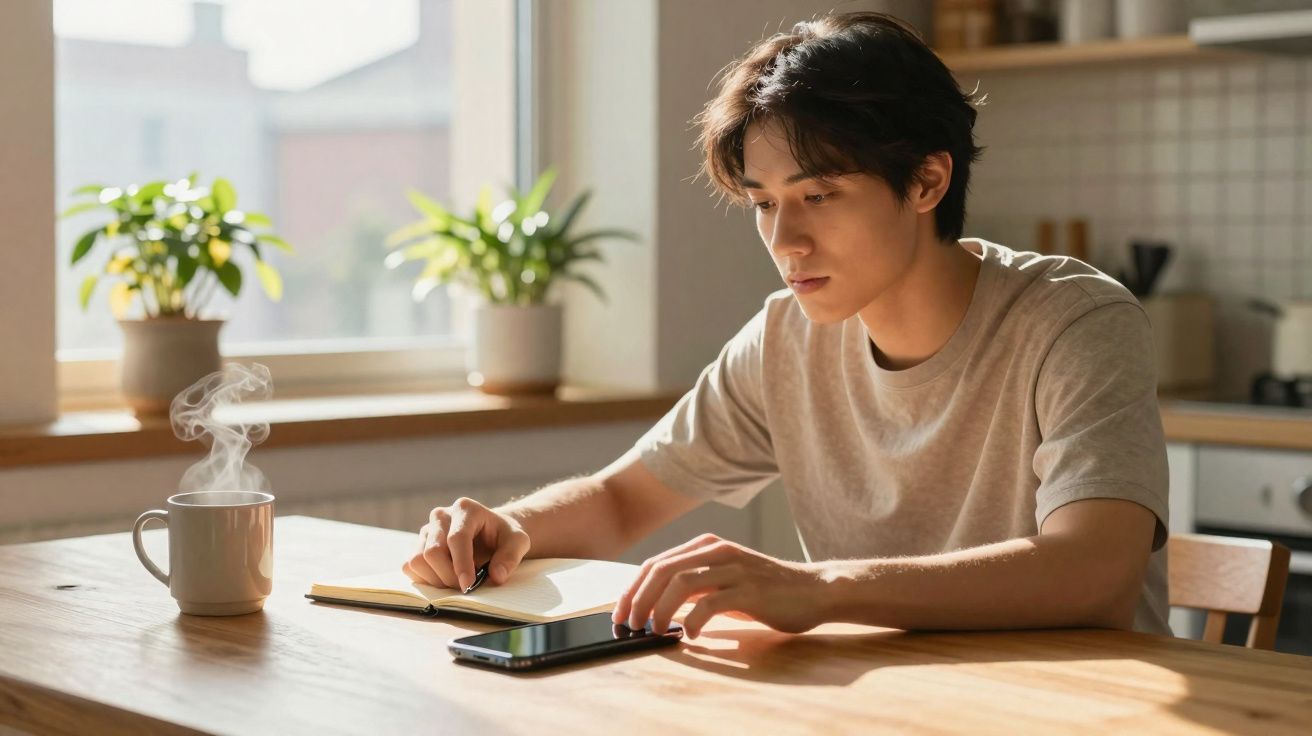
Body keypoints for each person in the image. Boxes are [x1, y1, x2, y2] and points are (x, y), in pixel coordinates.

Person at [402, 11, 1169, 640]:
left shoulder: (1073, 320)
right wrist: (510, 526)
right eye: (764, 202)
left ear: (929, 180)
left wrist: (819, 588)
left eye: (820, 194)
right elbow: (622, 501)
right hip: (881, 707)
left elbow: (1095, 572)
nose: (784, 241)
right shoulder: (785, 338)